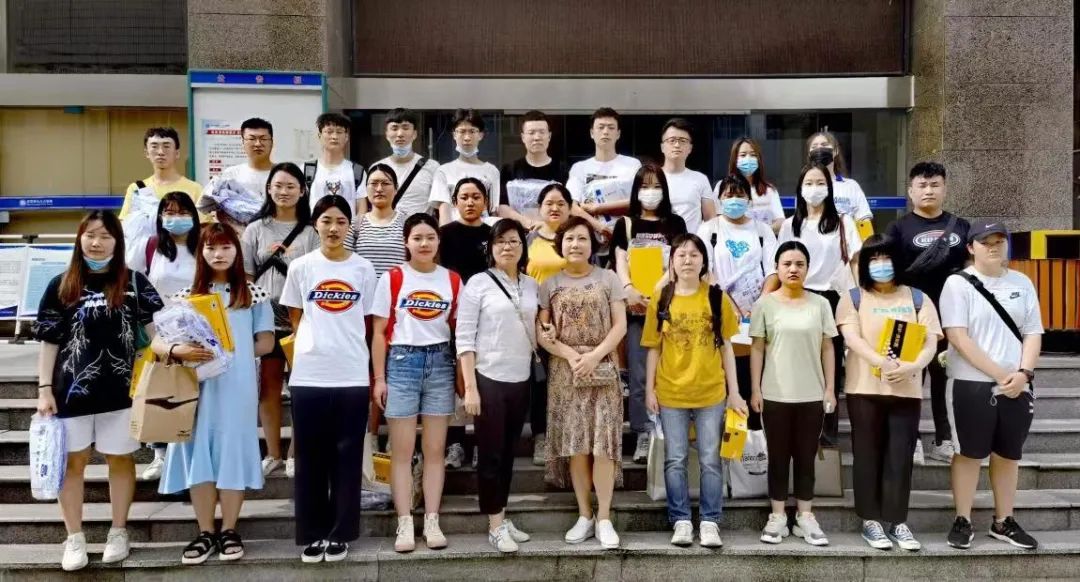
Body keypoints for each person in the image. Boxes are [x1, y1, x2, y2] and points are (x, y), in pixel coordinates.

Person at [33, 211, 165, 571]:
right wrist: (44, 389)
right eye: (90, 235)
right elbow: (49, 340)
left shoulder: (134, 282)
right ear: (79, 239)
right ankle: (74, 538)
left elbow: (156, 333)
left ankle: (118, 532)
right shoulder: (61, 285)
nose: (96, 242)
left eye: (106, 236)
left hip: (122, 394)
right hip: (70, 394)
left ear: (117, 242)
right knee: (72, 463)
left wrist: (177, 350)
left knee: (120, 460)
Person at [158, 223, 275, 565]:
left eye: (226, 247)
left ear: (237, 251)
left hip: (237, 386)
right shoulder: (186, 297)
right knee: (199, 453)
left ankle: (230, 529)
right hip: (196, 386)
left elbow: (266, 342)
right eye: (211, 248)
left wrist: (229, 351)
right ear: (201, 253)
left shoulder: (253, 294)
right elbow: (162, 340)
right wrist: (184, 350)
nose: (219, 254)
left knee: (232, 452)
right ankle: (205, 531)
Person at [280, 195, 378, 564]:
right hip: (309, 374)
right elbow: (295, 317)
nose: (333, 228)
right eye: (326, 221)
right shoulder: (301, 267)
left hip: (352, 373)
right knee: (310, 459)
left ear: (349, 226)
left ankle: (340, 533)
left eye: (340, 221)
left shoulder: (364, 268)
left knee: (347, 457)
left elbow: (367, 320)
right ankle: (312, 533)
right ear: (315, 224)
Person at [835, 234, 943, 552]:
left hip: (906, 391)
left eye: (886, 258)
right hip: (864, 390)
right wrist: (879, 361)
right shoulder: (853, 298)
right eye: (874, 259)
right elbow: (851, 338)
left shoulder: (918, 298)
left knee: (900, 457)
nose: (881, 264)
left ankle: (897, 521)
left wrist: (913, 367)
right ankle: (870, 519)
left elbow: (931, 341)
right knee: (867, 455)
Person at [939, 221, 1043, 551]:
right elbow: (958, 336)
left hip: (1018, 385)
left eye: (999, 240)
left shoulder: (1022, 282)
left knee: (1009, 454)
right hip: (971, 383)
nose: (994, 247)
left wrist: (1024, 373)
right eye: (986, 242)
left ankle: (1004, 520)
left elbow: (1033, 332)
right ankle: (963, 519)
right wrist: (1000, 375)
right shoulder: (957, 284)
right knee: (968, 453)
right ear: (971, 248)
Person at [642, 234, 743, 548]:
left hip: (711, 393)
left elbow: (727, 347)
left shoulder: (716, 297)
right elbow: (653, 348)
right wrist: (650, 390)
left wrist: (735, 392)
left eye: (694, 254)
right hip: (671, 393)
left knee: (711, 458)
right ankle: (681, 520)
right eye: (681, 254)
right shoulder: (661, 298)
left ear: (703, 261)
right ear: (672, 261)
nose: (687, 260)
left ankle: (710, 521)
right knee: (675, 459)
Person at [371, 214, 461, 553]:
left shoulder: (452, 280)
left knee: (435, 451)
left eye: (430, 237)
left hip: (441, 364)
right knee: (402, 452)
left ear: (438, 241)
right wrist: (379, 378)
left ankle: (432, 520)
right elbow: (379, 333)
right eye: (417, 238)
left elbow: (460, 331)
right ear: (406, 242)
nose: (424, 244)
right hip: (401, 364)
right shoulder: (393, 278)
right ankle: (405, 521)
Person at [537, 216, 627, 550]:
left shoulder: (608, 278)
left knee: (603, 443)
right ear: (560, 244)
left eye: (582, 238)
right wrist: (571, 355)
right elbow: (542, 332)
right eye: (569, 239)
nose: (575, 244)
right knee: (577, 444)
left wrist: (594, 356)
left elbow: (619, 326)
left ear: (593, 244)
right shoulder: (549, 283)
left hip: (602, 369)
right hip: (566, 372)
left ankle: (604, 517)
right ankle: (584, 514)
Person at [458, 219, 539, 553]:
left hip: (521, 378)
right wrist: (470, 387)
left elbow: (536, 327)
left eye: (514, 240)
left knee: (508, 454)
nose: (508, 246)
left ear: (523, 246)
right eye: (501, 241)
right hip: (488, 377)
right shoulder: (477, 283)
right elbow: (464, 338)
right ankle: (494, 525)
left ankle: (501, 516)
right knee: (491, 454)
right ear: (491, 247)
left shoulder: (532, 285)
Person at [750, 241, 838, 547]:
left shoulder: (820, 304)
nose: (793, 269)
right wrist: (756, 389)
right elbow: (757, 348)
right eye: (786, 264)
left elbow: (828, 347)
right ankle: (777, 516)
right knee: (777, 457)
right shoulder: (765, 304)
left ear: (808, 269)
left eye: (799, 264)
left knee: (805, 457)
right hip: (774, 394)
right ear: (776, 268)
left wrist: (830, 387)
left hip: (812, 395)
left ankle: (805, 516)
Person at [886, 162, 970, 463]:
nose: (929, 190)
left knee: (945, 378)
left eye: (935, 184)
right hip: (908, 315)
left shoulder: (962, 227)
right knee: (906, 379)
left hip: (952, 318)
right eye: (922, 185)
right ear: (910, 191)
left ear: (945, 189)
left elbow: (972, 272)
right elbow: (888, 274)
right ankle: (911, 441)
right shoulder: (897, 228)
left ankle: (944, 439)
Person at [241, 162, 320, 479]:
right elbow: (246, 276)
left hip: (301, 320)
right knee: (269, 387)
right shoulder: (254, 229)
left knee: (301, 387)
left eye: (291, 186)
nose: (284, 191)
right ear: (268, 189)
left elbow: (318, 275)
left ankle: (295, 453)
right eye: (278, 185)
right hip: (265, 320)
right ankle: (272, 453)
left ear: (302, 191)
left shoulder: (312, 231)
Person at [777, 162, 861, 445]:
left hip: (831, 298)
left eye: (820, 183)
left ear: (830, 187)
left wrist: (860, 300)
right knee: (795, 362)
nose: (814, 189)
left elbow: (855, 261)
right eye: (809, 183)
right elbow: (781, 264)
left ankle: (826, 433)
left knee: (829, 366)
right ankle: (796, 429)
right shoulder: (790, 225)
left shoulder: (843, 223)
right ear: (800, 189)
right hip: (796, 296)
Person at [611, 163, 687, 463]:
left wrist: (659, 287)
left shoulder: (676, 223)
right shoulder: (625, 224)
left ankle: (671, 430)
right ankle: (643, 433)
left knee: (673, 370)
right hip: (635, 310)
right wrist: (628, 288)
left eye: (656, 186)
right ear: (636, 191)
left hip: (669, 306)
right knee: (640, 374)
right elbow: (619, 260)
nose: (651, 192)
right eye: (645, 186)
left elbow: (681, 258)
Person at [127, 191, 201, 482]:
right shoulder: (149, 247)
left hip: (198, 332)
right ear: (160, 217)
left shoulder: (204, 246)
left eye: (183, 212)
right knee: (160, 391)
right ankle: (159, 455)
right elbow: (130, 281)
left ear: (194, 216)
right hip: (157, 332)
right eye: (169, 212)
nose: (176, 218)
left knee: (191, 393)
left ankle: (189, 458)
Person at [697, 174, 779, 431]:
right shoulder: (709, 229)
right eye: (728, 195)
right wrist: (730, 306)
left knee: (750, 376)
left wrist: (760, 303)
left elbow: (773, 270)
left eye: (740, 194)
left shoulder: (762, 230)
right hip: (719, 312)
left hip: (756, 315)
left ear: (748, 199)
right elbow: (706, 271)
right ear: (720, 199)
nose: (734, 199)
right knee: (722, 374)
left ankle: (751, 440)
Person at [439, 178, 495, 470]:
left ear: (486, 201)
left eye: (476, 196)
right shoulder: (444, 234)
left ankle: (482, 444)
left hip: (489, 317)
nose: (470, 202)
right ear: (455, 202)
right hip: (453, 316)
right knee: (456, 381)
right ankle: (456, 443)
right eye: (464, 197)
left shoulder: (494, 234)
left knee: (483, 380)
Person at [523, 183, 572, 465]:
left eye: (561, 203)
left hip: (572, 320)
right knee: (540, 382)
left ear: (570, 208)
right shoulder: (529, 239)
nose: (555, 208)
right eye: (549, 203)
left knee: (568, 380)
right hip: (538, 322)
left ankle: (567, 436)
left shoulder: (575, 237)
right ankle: (541, 437)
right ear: (539, 208)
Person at [567, 107, 642, 237]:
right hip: (590, 237)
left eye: (611, 128)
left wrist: (598, 208)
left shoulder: (633, 165)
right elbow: (572, 207)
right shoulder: (579, 168)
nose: (605, 132)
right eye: (600, 127)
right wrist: (599, 226)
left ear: (618, 134)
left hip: (626, 234)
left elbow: (639, 201)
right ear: (592, 133)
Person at [500, 110, 568, 230]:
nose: (537, 137)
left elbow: (570, 207)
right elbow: (502, 207)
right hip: (517, 234)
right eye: (531, 133)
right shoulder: (509, 170)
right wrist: (528, 223)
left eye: (542, 132)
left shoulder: (563, 170)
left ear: (549, 136)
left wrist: (546, 226)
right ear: (523, 137)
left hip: (553, 234)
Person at [431, 109, 500, 225]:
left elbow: (494, 211)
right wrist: (446, 234)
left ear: (481, 135)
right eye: (462, 131)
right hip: (455, 230)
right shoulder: (443, 171)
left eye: (472, 131)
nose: (467, 137)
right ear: (454, 135)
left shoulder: (492, 171)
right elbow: (444, 212)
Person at [118, 127, 204, 221]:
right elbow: (124, 223)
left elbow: (205, 225)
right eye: (154, 147)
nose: (160, 152)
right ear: (146, 153)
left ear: (177, 153)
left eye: (166, 146)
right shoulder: (136, 189)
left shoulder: (195, 189)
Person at [375, 108, 441, 219]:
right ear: (386, 134)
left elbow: (440, 206)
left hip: (420, 228)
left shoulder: (432, 167)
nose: (400, 134)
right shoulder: (377, 169)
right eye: (394, 128)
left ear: (414, 134)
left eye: (405, 128)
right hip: (386, 228)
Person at [346, 163, 408, 278]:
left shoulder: (408, 224)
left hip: (398, 288)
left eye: (385, 183)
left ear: (396, 188)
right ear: (366, 188)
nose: (379, 189)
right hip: (364, 288)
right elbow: (345, 264)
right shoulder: (353, 225)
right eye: (374, 183)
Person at [806, 131, 873, 234]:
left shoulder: (851, 186)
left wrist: (867, 243)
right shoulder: (805, 187)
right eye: (814, 147)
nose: (819, 149)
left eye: (824, 145)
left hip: (845, 242)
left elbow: (864, 221)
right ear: (809, 154)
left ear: (836, 151)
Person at [659, 118, 714, 234]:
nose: (677, 145)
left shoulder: (700, 179)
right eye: (672, 140)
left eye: (683, 141)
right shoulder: (652, 178)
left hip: (691, 243)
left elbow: (711, 220)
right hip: (658, 243)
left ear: (690, 148)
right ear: (662, 147)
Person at [304, 112, 367, 215]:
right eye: (329, 132)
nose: (334, 136)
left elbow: (361, 209)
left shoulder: (357, 171)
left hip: (347, 225)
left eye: (339, 132)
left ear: (346, 137)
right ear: (319, 135)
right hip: (315, 225)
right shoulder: (306, 170)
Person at [723, 137, 784, 233]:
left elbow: (780, 220)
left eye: (753, 155)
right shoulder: (723, 187)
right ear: (735, 159)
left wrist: (763, 232)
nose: (748, 158)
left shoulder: (769, 190)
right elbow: (717, 219)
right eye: (743, 155)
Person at [217, 118, 276, 196]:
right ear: (243, 143)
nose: (258, 144)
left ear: (271, 142)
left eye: (263, 139)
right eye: (252, 139)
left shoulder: (284, 173)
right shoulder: (231, 174)